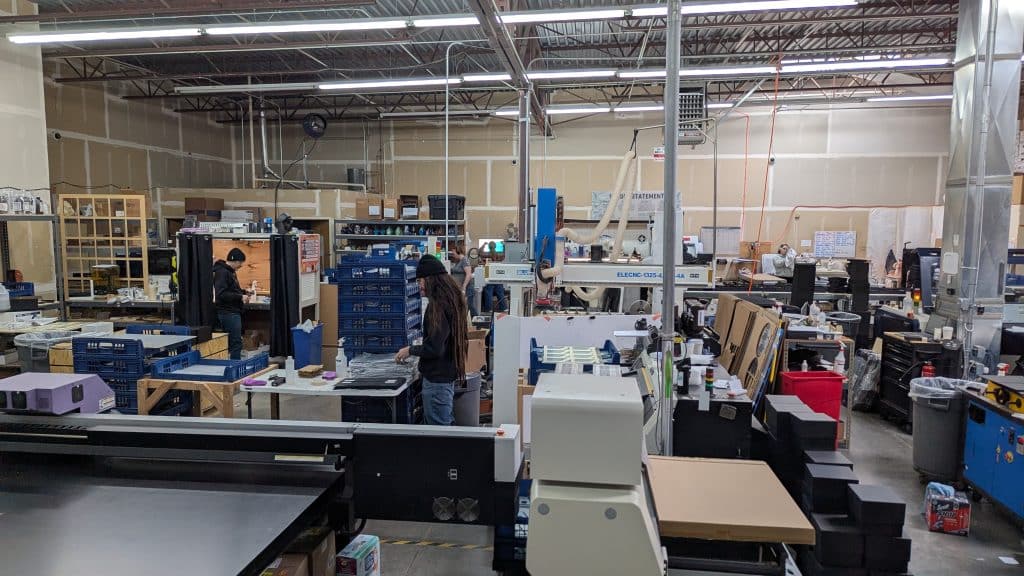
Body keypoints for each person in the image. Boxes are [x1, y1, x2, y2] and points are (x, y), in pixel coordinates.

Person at [395, 254, 468, 426]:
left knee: (439, 434)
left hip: (437, 382)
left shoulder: (438, 306)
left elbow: (434, 348)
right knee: (444, 426)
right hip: (445, 377)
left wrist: (410, 350)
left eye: (420, 281)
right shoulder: (451, 300)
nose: (419, 286)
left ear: (431, 279)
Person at [214, 248, 250, 360]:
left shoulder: (230, 272)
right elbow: (221, 294)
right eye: (240, 263)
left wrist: (244, 292)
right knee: (235, 343)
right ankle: (235, 367)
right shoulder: (222, 272)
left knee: (235, 342)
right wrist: (240, 297)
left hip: (233, 311)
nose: (241, 266)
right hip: (228, 313)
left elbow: (232, 289)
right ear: (234, 261)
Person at [449, 244, 478, 317]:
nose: (453, 255)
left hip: (467, 288)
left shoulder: (465, 260)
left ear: (458, 252)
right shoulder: (458, 261)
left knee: (470, 306)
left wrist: (464, 286)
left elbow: (468, 274)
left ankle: (478, 322)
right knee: (465, 307)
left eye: (453, 253)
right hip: (460, 288)